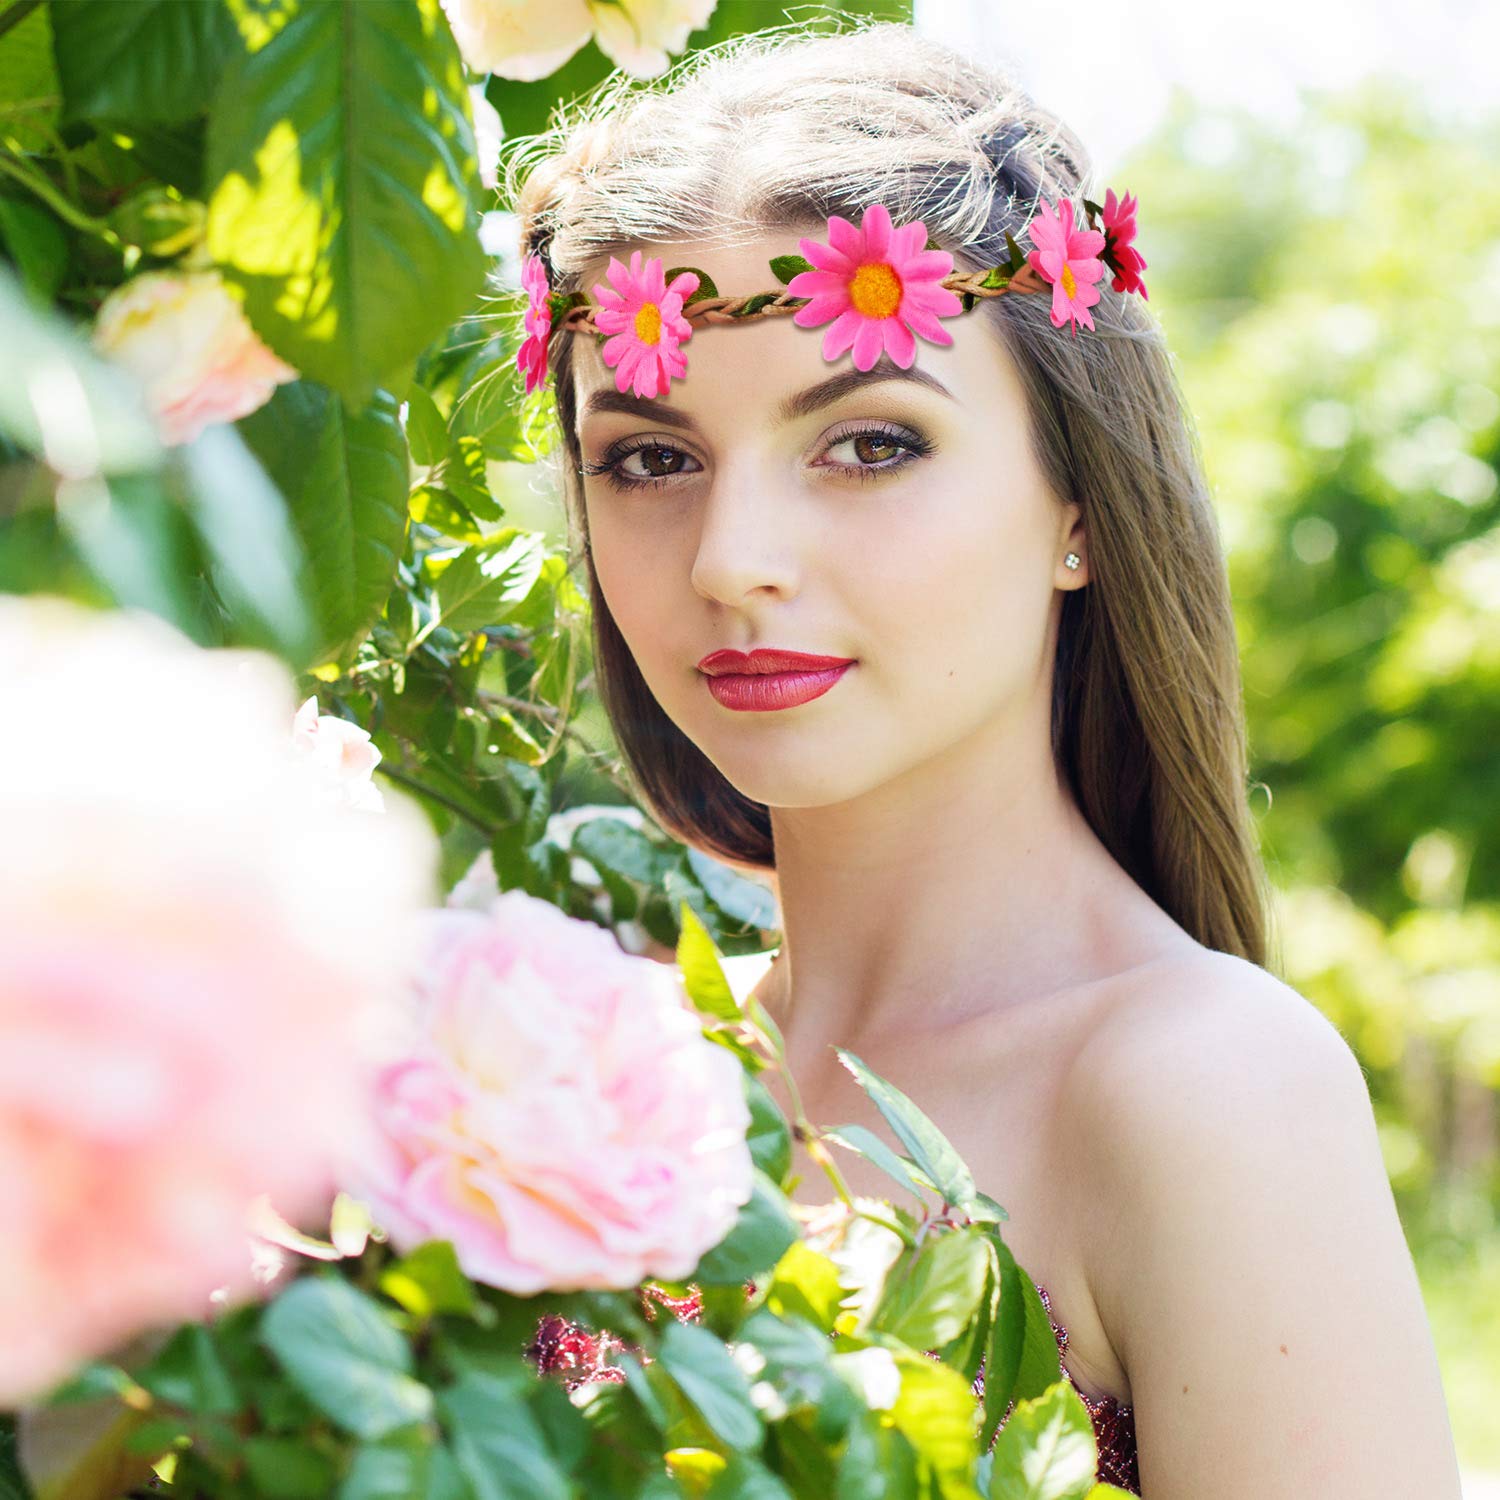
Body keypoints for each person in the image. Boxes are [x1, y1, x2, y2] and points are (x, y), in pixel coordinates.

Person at [506, 20, 1462, 1495]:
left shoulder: (1199, 1088)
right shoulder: (569, 1065)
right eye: (650, 458)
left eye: (870, 443)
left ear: (1079, 501)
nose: (732, 561)